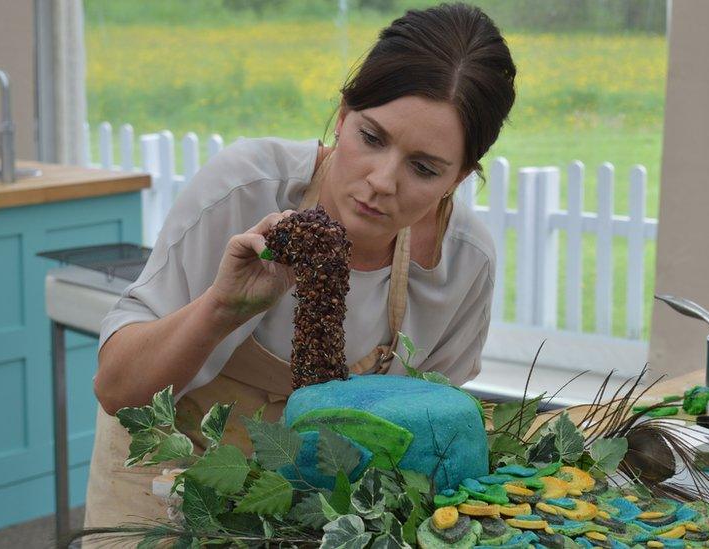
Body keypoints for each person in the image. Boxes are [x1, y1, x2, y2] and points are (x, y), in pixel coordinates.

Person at [83, 1, 517, 535]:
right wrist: (222, 307)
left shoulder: (463, 264)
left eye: (424, 168)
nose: (382, 181)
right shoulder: (245, 189)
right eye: (371, 138)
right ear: (342, 117)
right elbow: (115, 387)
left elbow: (431, 441)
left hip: (322, 519)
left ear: (460, 176)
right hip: (168, 485)